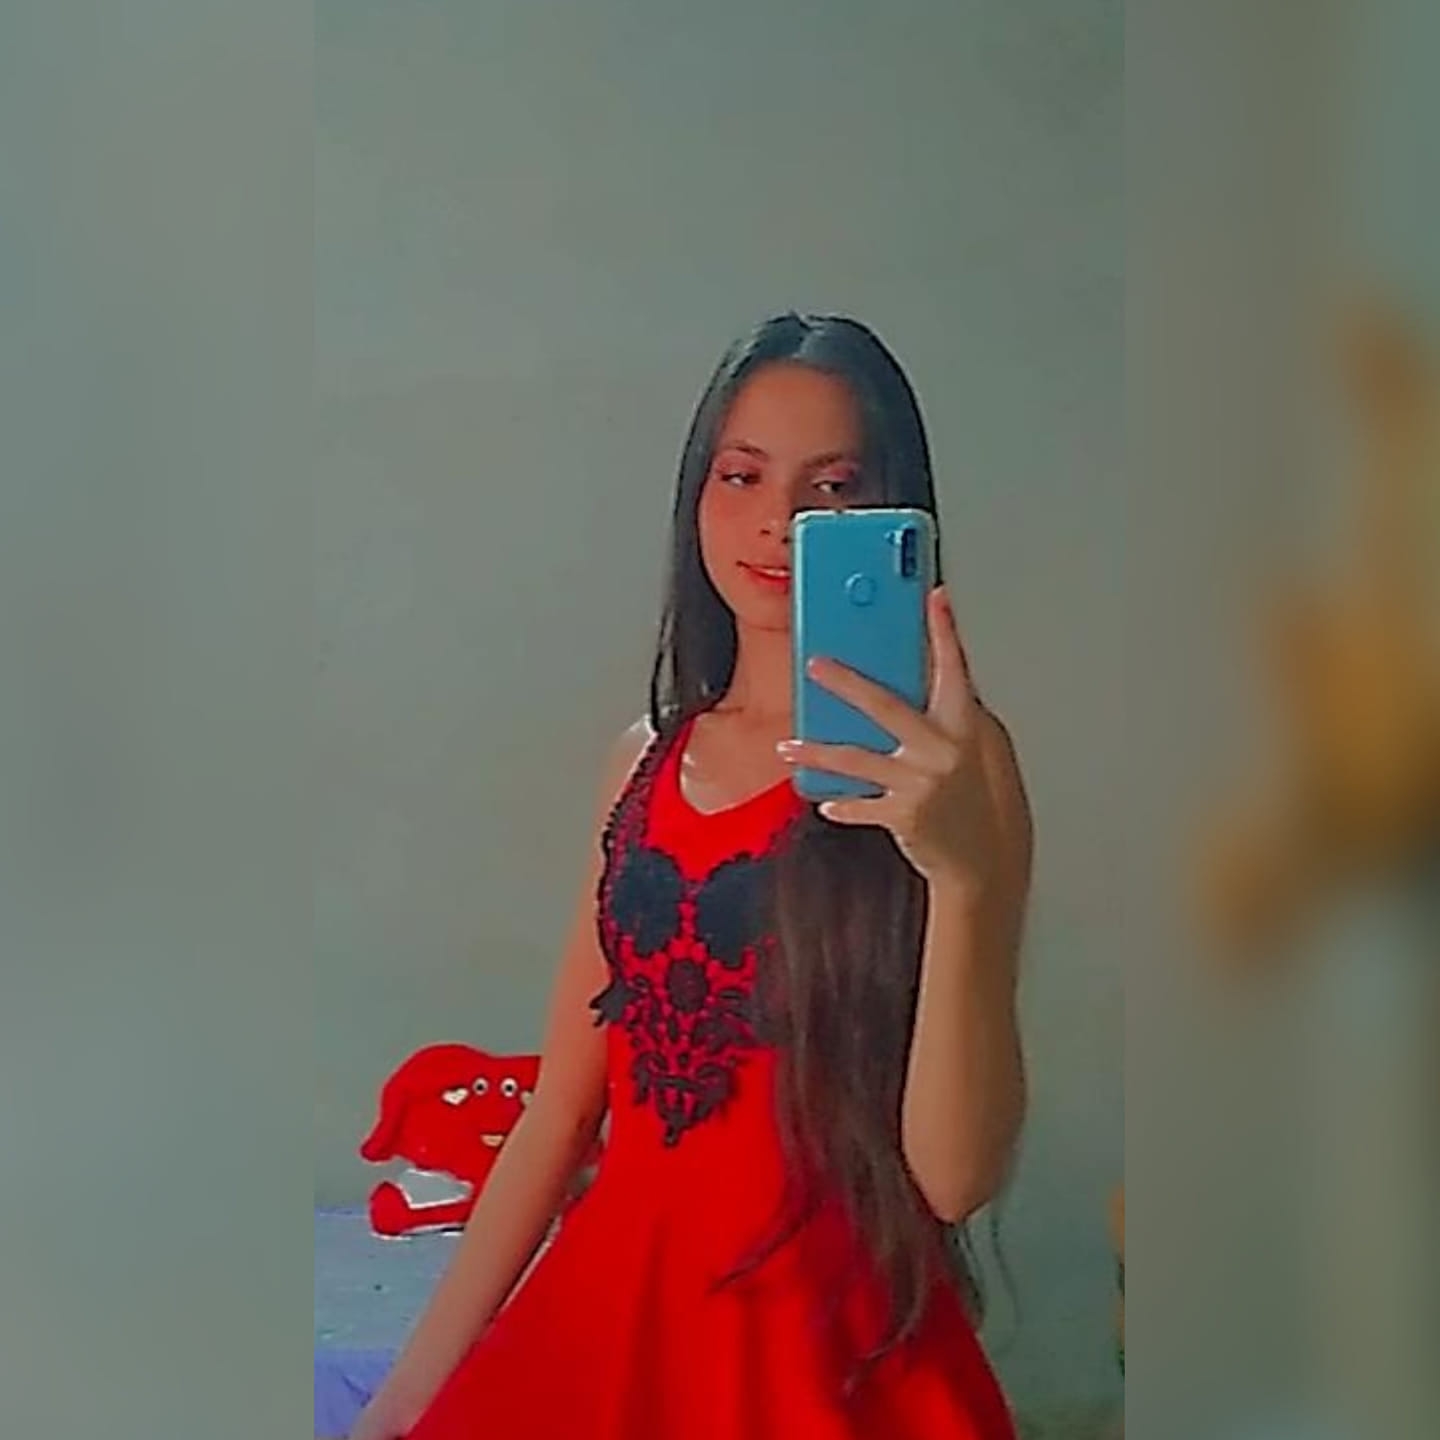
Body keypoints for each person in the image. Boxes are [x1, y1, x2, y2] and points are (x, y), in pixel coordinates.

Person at [350, 312, 1034, 1440]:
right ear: (697, 495)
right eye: (742, 475)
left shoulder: (957, 764)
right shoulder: (644, 759)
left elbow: (956, 1181)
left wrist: (959, 881)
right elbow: (563, 1110)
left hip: (830, 1352)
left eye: (831, 487)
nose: (777, 521)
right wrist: (399, 1404)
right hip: (616, 1313)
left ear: (890, 515)